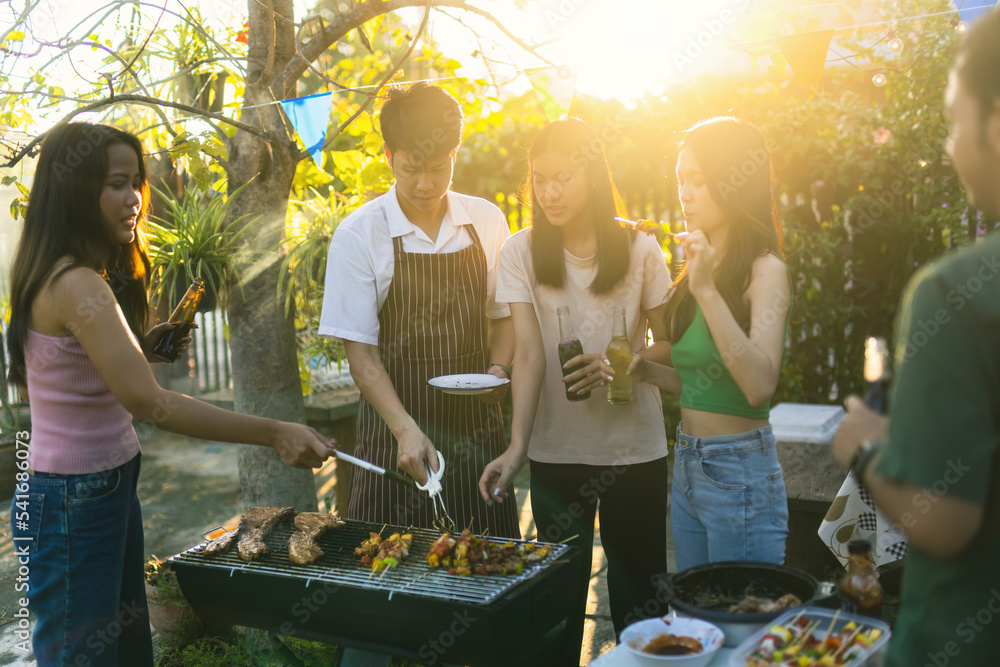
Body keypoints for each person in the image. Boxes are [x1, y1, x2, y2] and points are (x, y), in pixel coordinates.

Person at [5, 123, 334, 667]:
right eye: (115, 183)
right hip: (71, 499)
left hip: (101, 489)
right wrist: (273, 431)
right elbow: (150, 404)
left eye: (136, 181)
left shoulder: (63, 272)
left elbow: (69, 375)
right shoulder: (77, 282)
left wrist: (141, 352)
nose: (133, 197)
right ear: (74, 188)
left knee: (126, 653)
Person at [832, 9, 1000, 665]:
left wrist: (865, 449)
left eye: (956, 120)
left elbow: (946, 519)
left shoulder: (957, 292)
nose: (951, 145)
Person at [478, 118, 672, 664]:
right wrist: (517, 447)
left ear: (592, 174)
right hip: (556, 453)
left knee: (641, 608)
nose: (550, 192)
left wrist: (628, 364)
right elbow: (530, 354)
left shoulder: (639, 248)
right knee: (557, 605)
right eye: (540, 180)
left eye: (562, 177)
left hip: (635, 450)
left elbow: (672, 344)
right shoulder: (520, 251)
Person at [319, 83, 519, 537]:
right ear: (389, 157)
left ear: (455, 153)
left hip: (477, 437)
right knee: (389, 566)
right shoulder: (359, 235)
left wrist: (499, 368)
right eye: (411, 169)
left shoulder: (486, 221)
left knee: (487, 563)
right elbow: (361, 355)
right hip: (395, 438)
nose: (425, 184)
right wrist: (405, 430)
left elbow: (502, 315)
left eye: (437, 167)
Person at [632, 117, 791, 571]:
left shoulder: (764, 271)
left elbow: (758, 385)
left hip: (739, 469)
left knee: (737, 622)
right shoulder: (697, 272)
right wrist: (644, 371)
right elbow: (702, 383)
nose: (685, 193)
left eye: (699, 181)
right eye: (681, 180)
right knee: (696, 621)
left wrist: (706, 290)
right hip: (688, 464)